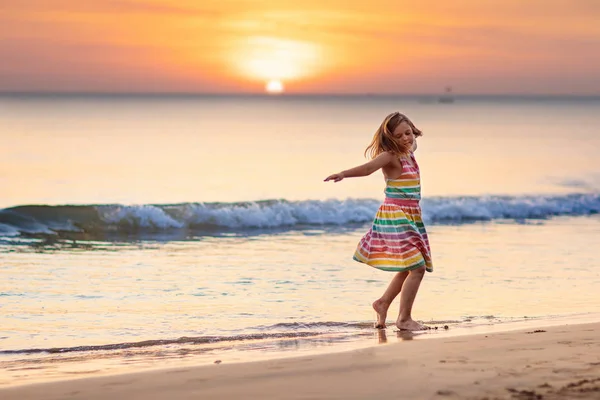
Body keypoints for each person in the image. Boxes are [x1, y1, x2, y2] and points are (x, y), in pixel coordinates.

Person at [324, 112, 433, 331]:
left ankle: (382, 303)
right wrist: (343, 174)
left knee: (408, 267)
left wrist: (412, 132)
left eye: (408, 133)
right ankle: (404, 319)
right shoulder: (390, 156)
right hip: (396, 215)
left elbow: (413, 140)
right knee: (417, 268)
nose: (405, 138)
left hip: (411, 214)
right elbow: (367, 168)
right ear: (390, 139)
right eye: (399, 136)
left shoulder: (410, 150)